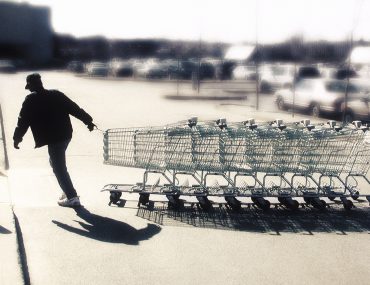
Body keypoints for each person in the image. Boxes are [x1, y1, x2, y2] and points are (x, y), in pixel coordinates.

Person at [13, 73, 96, 207]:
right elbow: (74, 108)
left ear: (32, 85)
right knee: (55, 162)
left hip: (54, 139)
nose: (28, 89)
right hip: (65, 135)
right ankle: (66, 190)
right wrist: (88, 121)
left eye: (29, 86)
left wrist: (17, 138)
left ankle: (72, 197)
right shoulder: (56, 94)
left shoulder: (30, 100)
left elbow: (23, 121)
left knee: (59, 168)